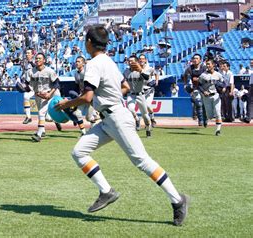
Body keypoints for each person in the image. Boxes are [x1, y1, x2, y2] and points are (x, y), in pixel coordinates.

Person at [55, 26, 188, 226]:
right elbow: (125, 87)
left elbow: (88, 96)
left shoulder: (94, 64)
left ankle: (178, 200)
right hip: (109, 118)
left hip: (117, 117)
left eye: (85, 40)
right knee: (79, 151)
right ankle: (106, 191)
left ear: (89, 42)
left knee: (142, 162)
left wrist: (66, 104)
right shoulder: (108, 61)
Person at [26, 53, 61, 142]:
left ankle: (39, 134)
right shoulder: (30, 72)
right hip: (39, 95)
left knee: (41, 113)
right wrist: (23, 88)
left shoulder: (49, 71)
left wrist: (50, 94)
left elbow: (57, 83)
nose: (37, 60)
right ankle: (54, 121)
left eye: (39, 58)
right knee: (47, 118)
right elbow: (26, 84)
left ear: (44, 60)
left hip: (51, 94)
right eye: (36, 58)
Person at [124, 55, 152, 137]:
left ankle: (148, 129)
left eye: (132, 61)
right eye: (129, 61)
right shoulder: (126, 71)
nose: (130, 62)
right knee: (131, 109)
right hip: (131, 94)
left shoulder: (141, 70)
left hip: (140, 94)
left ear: (136, 62)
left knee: (145, 115)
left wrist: (141, 70)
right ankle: (137, 119)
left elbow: (147, 78)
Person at [72, 56, 98, 136]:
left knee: (89, 118)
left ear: (83, 63)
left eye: (79, 61)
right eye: (76, 61)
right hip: (83, 96)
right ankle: (83, 132)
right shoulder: (76, 73)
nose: (77, 63)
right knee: (77, 113)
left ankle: (96, 122)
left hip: (92, 96)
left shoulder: (87, 72)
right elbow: (77, 85)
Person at [199, 59, 223, 136]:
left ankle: (218, 130)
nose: (207, 65)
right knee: (210, 116)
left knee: (217, 112)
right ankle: (206, 118)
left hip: (216, 95)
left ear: (213, 65)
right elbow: (199, 85)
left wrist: (223, 88)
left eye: (209, 64)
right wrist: (203, 91)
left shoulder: (218, 75)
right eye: (207, 64)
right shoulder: (203, 75)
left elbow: (223, 84)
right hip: (207, 96)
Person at [183, 54, 207, 127]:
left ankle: (205, 119)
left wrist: (199, 79)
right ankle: (200, 120)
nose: (195, 60)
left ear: (200, 60)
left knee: (204, 105)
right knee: (199, 103)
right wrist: (186, 84)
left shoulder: (204, 68)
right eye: (194, 58)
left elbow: (208, 77)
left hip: (204, 88)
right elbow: (185, 76)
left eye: (197, 58)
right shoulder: (189, 69)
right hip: (195, 88)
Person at [139, 54, 158, 127]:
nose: (141, 60)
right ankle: (149, 121)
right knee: (144, 108)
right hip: (140, 90)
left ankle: (152, 119)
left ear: (145, 60)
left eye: (143, 59)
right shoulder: (137, 68)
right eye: (140, 59)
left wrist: (156, 81)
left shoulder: (149, 68)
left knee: (147, 105)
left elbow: (156, 73)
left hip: (149, 90)